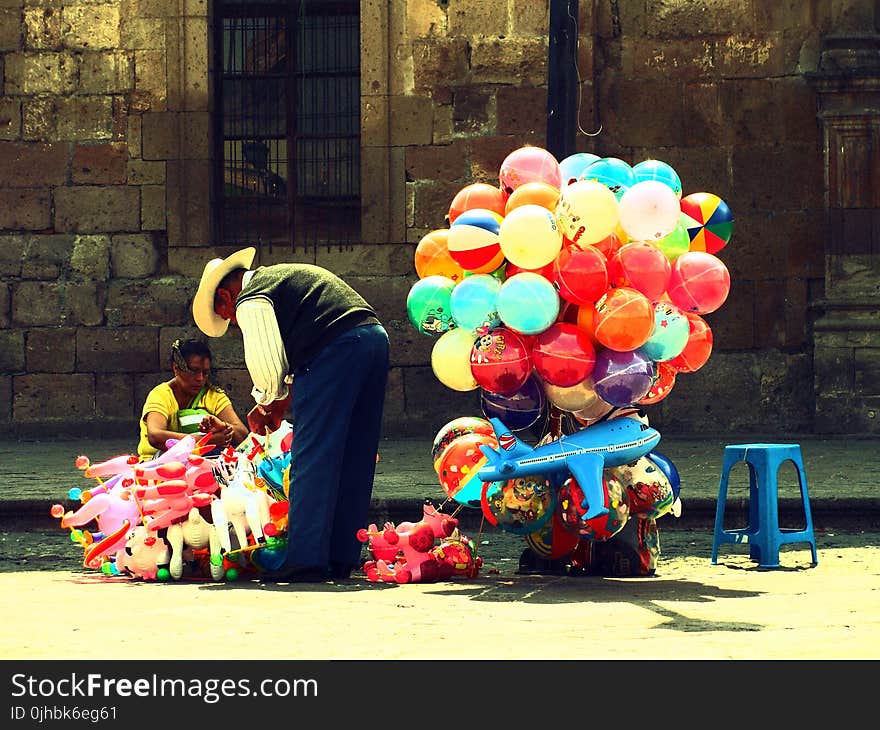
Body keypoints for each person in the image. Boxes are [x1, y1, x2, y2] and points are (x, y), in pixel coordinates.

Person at [191, 247, 390, 583]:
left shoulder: (251, 297)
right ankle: (341, 555)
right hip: (371, 339)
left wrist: (266, 402)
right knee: (355, 454)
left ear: (226, 296)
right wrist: (279, 402)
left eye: (227, 315)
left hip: (335, 349)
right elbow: (296, 358)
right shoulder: (282, 281)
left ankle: (306, 558)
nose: (234, 322)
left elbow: (268, 365)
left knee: (311, 456)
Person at [137, 338, 249, 460]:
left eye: (205, 373)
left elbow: (242, 434)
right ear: (176, 368)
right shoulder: (161, 395)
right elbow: (155, 436)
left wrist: (224, 427)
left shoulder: (213, 396)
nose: (200, 378)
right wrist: (206, 441)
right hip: (157, 465)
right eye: (194, 371)